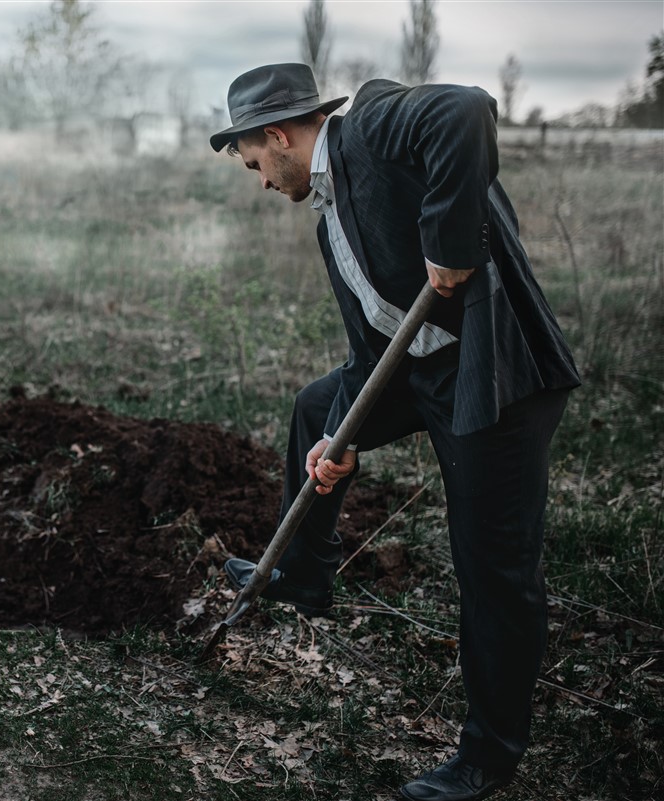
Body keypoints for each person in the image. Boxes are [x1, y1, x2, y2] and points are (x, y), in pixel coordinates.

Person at [209, 63, 581, 801]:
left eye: (254, 162)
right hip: (418, 370)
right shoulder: (330, 217)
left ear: (279, 135)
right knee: (319, 412)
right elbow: (373, 346)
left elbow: (466, 112)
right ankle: (304, 574)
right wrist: (341, 439)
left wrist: (447, 238)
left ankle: (489, 755)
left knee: (492, 566)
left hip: (492, 370)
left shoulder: (373, 124)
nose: (258, 180)